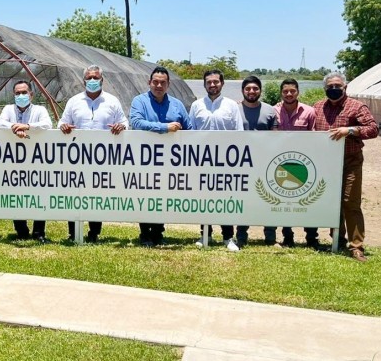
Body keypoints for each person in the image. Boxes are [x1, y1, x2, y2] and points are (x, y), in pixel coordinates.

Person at [58, 65, 128, 243]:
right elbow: (62, 122)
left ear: (102, 80)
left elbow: (124, 122)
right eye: (89, 78)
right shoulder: (74, 101)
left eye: (95, 78)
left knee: (96, 195)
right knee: (74, 195)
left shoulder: (112, 101)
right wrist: (64, 127)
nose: (92, 81)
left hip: (102, 160)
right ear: (83, 81)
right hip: (76, 159)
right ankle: (74, 232)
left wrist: (122, 127)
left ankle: (94, 232)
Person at [314, 72, 378, 262]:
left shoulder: (356, 107)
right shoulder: (318, 107)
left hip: (351, 161)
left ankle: (356, 245)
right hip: (327, 162)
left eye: (337, 86)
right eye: (330, 87)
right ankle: (336, 240)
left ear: (345, 87)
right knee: (332, 202)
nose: (334, 90)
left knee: (350, 201)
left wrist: (350, 130)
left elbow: (373, 129)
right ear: (325, 89)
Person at [129, 66, 192, 246]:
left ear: (168, 84)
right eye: (155, 82)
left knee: (163, 196)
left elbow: (189, 129)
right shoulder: (139, 101)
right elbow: (136, 122)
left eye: (162, 82)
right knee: (144, 195)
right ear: (149, 83)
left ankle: (157, 232)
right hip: (144, 160)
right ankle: (145, 233)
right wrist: (164, 128)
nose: (158, 85)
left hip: (170, 162)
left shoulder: (177, 105)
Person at [189, 69, 244, 251]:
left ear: (222, 83)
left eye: (216, 82)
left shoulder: (231, 105)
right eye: (209, 82)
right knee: (203, 198)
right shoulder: (196, 105)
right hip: (201, 160)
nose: (212, 85)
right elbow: (191, 132)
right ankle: (205, 234)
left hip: (225, 161)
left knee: (225, 199)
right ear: (204, 84)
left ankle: (228, 237)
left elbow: (238, 133)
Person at [0, 79, 53, 242]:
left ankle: (38, 232)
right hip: (13, 160)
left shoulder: (39, 109)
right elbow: (0, 123)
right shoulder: (8, 109)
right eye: (17, 93)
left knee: (39, 193)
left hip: (37, 160)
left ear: (31, 94)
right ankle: (21, 230)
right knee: (16, 194)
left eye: (24, 92)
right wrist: (15, 127)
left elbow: (47, 124)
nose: (21, 95)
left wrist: (27, 126)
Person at [272, 79, 318, 248]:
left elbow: (315, 136)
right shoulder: (274, 111)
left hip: (304, 163)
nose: (289, 94)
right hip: (280, 163)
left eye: (292, 91)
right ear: (281, 93)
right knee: (285, 202)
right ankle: (287, 236)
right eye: (285, 91)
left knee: (307, 200)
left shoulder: (309, 111)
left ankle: (312, 238)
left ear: (298, 92)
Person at [236, 75, 278, 247]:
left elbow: (275, 136)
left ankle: (270, 236)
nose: (251, 92)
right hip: (241, 163)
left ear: (260, 90)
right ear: (243, 91)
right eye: (248, 89)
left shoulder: (270, 110)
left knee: (268, 198)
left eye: (255, 88)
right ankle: (241, 236)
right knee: (243, 200)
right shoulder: (234, 109)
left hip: (265, 162)